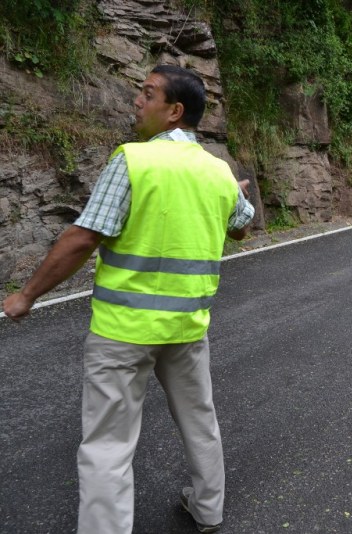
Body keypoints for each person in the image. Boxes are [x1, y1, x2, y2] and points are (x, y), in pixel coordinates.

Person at [3, 64, 254, 533]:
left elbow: (84, 236)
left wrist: (27, 294)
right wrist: (232, 195)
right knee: (200, 421)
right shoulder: (218, 171)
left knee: (108, 445)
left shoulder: (134, 160)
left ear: (174, 111)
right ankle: (208, 510)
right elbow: (241, 225)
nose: (137, 101)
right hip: (185, 328)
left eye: (148, 93)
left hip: (123, 332)